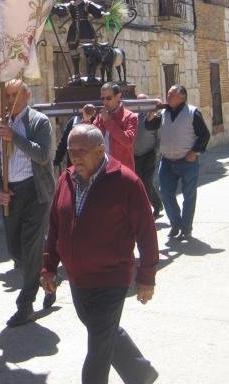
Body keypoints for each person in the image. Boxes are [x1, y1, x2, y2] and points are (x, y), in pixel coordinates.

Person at [41, 124, 159, 384]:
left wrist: (147, 276)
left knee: (98, 347)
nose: (76, 157)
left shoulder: (126, 182)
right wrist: (48, 266)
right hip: (78, 278)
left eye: (82, 151)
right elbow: (55, 226)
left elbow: (147, 234)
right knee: (103, 331)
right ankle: (141, 374)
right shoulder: (66, 179)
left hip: (111, 279)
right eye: (72, 152)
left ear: (100, 148)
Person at [0, 78, 57, 326]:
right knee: (16, 250)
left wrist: (14, 136)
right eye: (6, 95)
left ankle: (25, 305)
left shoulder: (39, 122)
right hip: (11, 193)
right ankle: (46, 271)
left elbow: (42, 155)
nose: (9, 101)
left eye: (13, 95)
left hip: (36, 193)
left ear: (26, 96)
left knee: (30, 246)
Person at [148, 85, 210, 240]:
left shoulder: (192, 113)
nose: (167, 97)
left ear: (182, 97)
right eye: (167, 94)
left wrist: (194, 152)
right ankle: (175, 223)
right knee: (166, 193)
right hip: (167, 161)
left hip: (187, 161)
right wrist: (151, 112)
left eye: (171, 94)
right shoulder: (163, 112)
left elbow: (204, 135)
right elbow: (149, 125)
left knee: (189, 196)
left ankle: (186, 228)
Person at [51, 0, 106, 83]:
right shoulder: (70, 4)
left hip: (86, 29)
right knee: (73, 50)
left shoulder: (86, 3)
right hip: (74, 30)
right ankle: (76, 74)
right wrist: (53, 8)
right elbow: (63, 8)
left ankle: (91, 75)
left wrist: (102, 13)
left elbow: (97, 10)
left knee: (89, 52)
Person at [93, 82, 137, 172]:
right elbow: (91, 139)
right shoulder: (101, 116)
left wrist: (108, 122)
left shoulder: (130, 117)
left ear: (118, 96)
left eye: (108, 98)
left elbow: (128, 141)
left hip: (122, 170)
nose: (105, 102)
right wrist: (85, 120)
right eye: (103, 98)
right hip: (102, 169)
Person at [133, 94, 163, 219]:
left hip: (149, 154)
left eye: (143, 103)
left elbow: (159, 137)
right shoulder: (133, 117)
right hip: (135, 155)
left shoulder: (154, 118)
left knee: (147, 181)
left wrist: (156, 152)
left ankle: (152, 207)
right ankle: (158, 204)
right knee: (141, 182)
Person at [54, 104, 97, 171]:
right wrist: (56, 161)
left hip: (91, 166)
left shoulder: (97, 122)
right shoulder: (73, 122)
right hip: (74, 166)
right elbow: (64, 143)